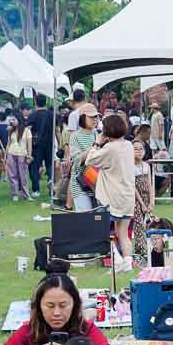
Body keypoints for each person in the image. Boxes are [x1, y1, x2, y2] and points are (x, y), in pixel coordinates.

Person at [82, 114, 135, 270]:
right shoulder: (128, 146)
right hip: (127, 196)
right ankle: (128, 263)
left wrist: (97, 143)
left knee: (102, 231)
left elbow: (89, 160)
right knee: (123, 232)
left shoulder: (110, 149)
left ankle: (117, 260)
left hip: (111, 196)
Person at [66, 111, 98, 211]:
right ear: (83, 118)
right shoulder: (75, 136)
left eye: (96, 117)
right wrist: (95, 145)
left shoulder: (96, 134)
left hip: (94, 182)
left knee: (96, 218)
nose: (95, 120)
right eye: (91, 117)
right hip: (79, 183)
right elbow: (76, 160)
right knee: (85, 216)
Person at [130, 139, 154, 266]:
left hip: (146, 198)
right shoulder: (129, 166)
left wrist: (151, 201)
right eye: (135, 149)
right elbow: (133, 187)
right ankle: (142, 253)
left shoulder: (146, 166)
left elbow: (150, 184)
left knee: (147, 225)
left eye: (141, 149)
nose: (138, 152)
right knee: (138, 225)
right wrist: (142, 204)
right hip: (135, 200)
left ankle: (144, 253)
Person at [4, 115, 32, 201]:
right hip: (11, 154)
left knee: (23, 176)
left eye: (14, 119)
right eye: (12, 119)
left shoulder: (26, 131)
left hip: (22, 155)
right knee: (12, 175)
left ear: (19, 120)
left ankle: (26, 195)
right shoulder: (11, 130)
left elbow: (29, 144)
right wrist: (5, 155)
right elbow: (8, 143)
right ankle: (14, 194)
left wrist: (29, 156)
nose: (12, 121)